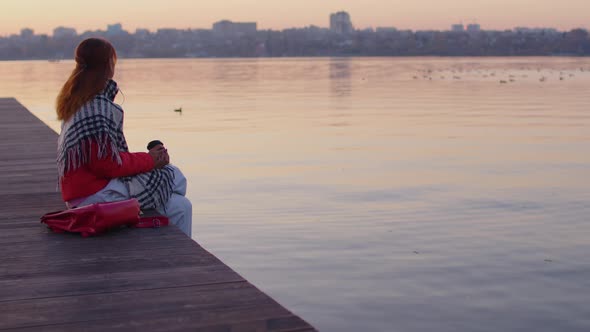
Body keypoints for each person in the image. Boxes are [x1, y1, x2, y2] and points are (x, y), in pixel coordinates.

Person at [55, 38, 192, 237]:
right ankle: (156, 233)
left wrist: (149, 160)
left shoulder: (75, 99)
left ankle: (155, 226)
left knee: (181, 205)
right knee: (175, 178)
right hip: (93, 194)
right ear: (109, 65)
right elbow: (106, 164)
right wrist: (150, 159)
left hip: (79, 192)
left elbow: (104, 160)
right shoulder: (97, 107)